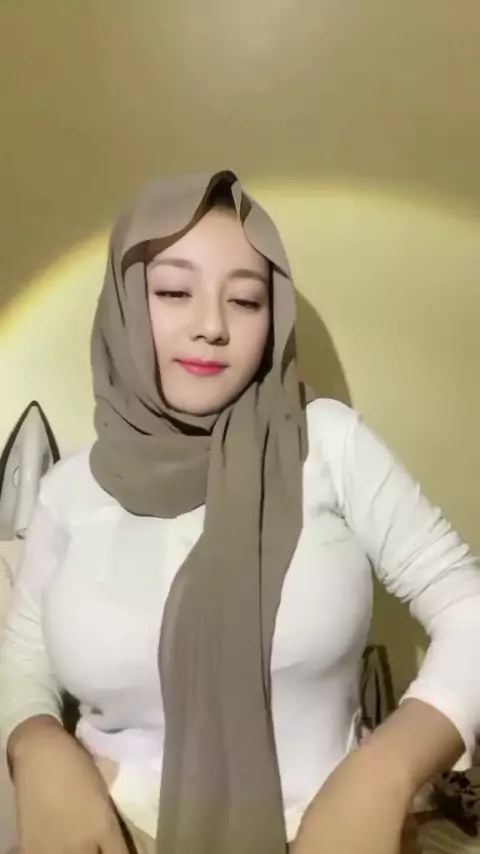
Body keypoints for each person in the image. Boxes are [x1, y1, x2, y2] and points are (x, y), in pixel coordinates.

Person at [1, 169, 480, 854]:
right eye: (174, 292)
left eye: (247, 300)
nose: (212, 327)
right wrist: (37, 745)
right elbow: (22, 664)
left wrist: (385, 772)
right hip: (107, 830)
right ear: (124, 303)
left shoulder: (328, 444)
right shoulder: (69, 490)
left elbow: (468, 607)